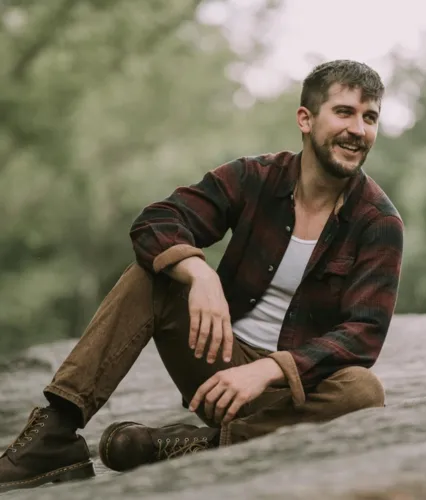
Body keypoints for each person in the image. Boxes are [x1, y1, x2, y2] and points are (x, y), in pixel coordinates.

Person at [0, 59, 404, 493]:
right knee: (151, 276)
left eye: (370, 117)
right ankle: (54, 437)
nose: (358, 130)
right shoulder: (255, 178)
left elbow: (363, 334)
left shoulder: (378, 222)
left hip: (291, 393)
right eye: (344, 112)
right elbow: (156, 220)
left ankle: (192, 446)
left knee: (363, 392)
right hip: (214, 370)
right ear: (305, 118)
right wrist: (198, 273)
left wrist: (267, 369)